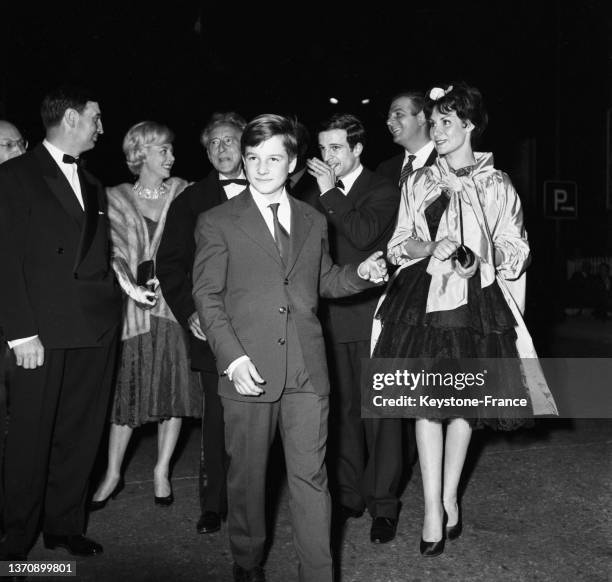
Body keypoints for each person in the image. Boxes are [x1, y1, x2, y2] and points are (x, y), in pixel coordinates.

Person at [192, 114, 388, 582]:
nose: (261, 168)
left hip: (305, 369)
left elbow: (321, 282)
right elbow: (207, 297)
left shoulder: (313, 218)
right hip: (247, 368)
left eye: (273, 158)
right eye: (253, 158)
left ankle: (318, 574)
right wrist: (233, 358)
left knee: (310, 479)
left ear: (293, 161)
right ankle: (247, 561)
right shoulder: (217, 221)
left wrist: (361, 275)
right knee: (247, 480)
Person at [372, 83, 557, 557]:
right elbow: (398, 244)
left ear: (470, 125)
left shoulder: (497, 185)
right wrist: (428, 246)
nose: (437, 130)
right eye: (433, 122)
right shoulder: (419, 181)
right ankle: (431, 507)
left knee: (460, 407)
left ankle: (450, 493)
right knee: (424, 405)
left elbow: (517, 252)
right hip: (422, 304)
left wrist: (479, 254)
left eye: (446, 122)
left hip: (476, 306)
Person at [0, 85, 122, 559]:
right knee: (32, 435)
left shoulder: (92, 184)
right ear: (71, 118)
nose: (100, 127)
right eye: (96, 117)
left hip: (95, 328)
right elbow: (6, 260)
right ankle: (17, 533)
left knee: (80, 431)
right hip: (42, 333)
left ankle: (65, 526)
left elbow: (94, 254)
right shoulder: (16, 176)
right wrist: (21, 332)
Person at [91, 121, 201, 509]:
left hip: (174, 308)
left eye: (171, 150)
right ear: (141, 153)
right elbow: (111, 253)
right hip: (132, 310)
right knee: (127, 393)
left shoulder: (184, 192)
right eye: (163, 150)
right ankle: (113, 473)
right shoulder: (114, 197)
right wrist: (130, 286)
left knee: (174, 390)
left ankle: (161, 471)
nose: (171, 156)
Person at [305, 113, 402, 543]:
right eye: (323, 148)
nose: (328, 157)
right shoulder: (309, 192)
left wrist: (329, 192)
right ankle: (349, 495)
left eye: (337, 148)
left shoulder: (381, 189)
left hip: (374, 318)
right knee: (342, 412)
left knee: (380, 414)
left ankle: (384, 504)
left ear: (358, 149)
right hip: (330, 318)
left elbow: (363, 235)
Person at [157, 111, 247, 534]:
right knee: (217, 418)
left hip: (265, 325)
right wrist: (189, 311)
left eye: (229, 141)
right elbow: (170, 265)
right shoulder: (190, 202)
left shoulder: (274, 189)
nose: (221, 150)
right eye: (213, 144)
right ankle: (213, 503)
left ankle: (255, 498)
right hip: (211, 327)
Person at [0, 120, 27, 537]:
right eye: (3, 146)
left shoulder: (34, 193)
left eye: (16, 144)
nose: (12, 152)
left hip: (28, 330)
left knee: (24, 426)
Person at [377, 91, 437, 187]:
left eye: (398, 114)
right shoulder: (385, 170)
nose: (388, 122)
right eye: (389, 117)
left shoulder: (448, 163)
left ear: (421, 117)